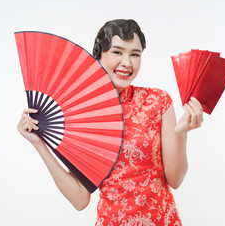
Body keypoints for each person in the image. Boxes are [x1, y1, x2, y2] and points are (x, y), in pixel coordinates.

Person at [17, 19, 203, 225]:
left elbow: (175, 180)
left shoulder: (159, 101)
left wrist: (181, 132)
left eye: (135, 54)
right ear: (98, 54)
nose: (127, 62)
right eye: (117, 52)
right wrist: (39, 144)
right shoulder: (82, 114)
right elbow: (80, 199)